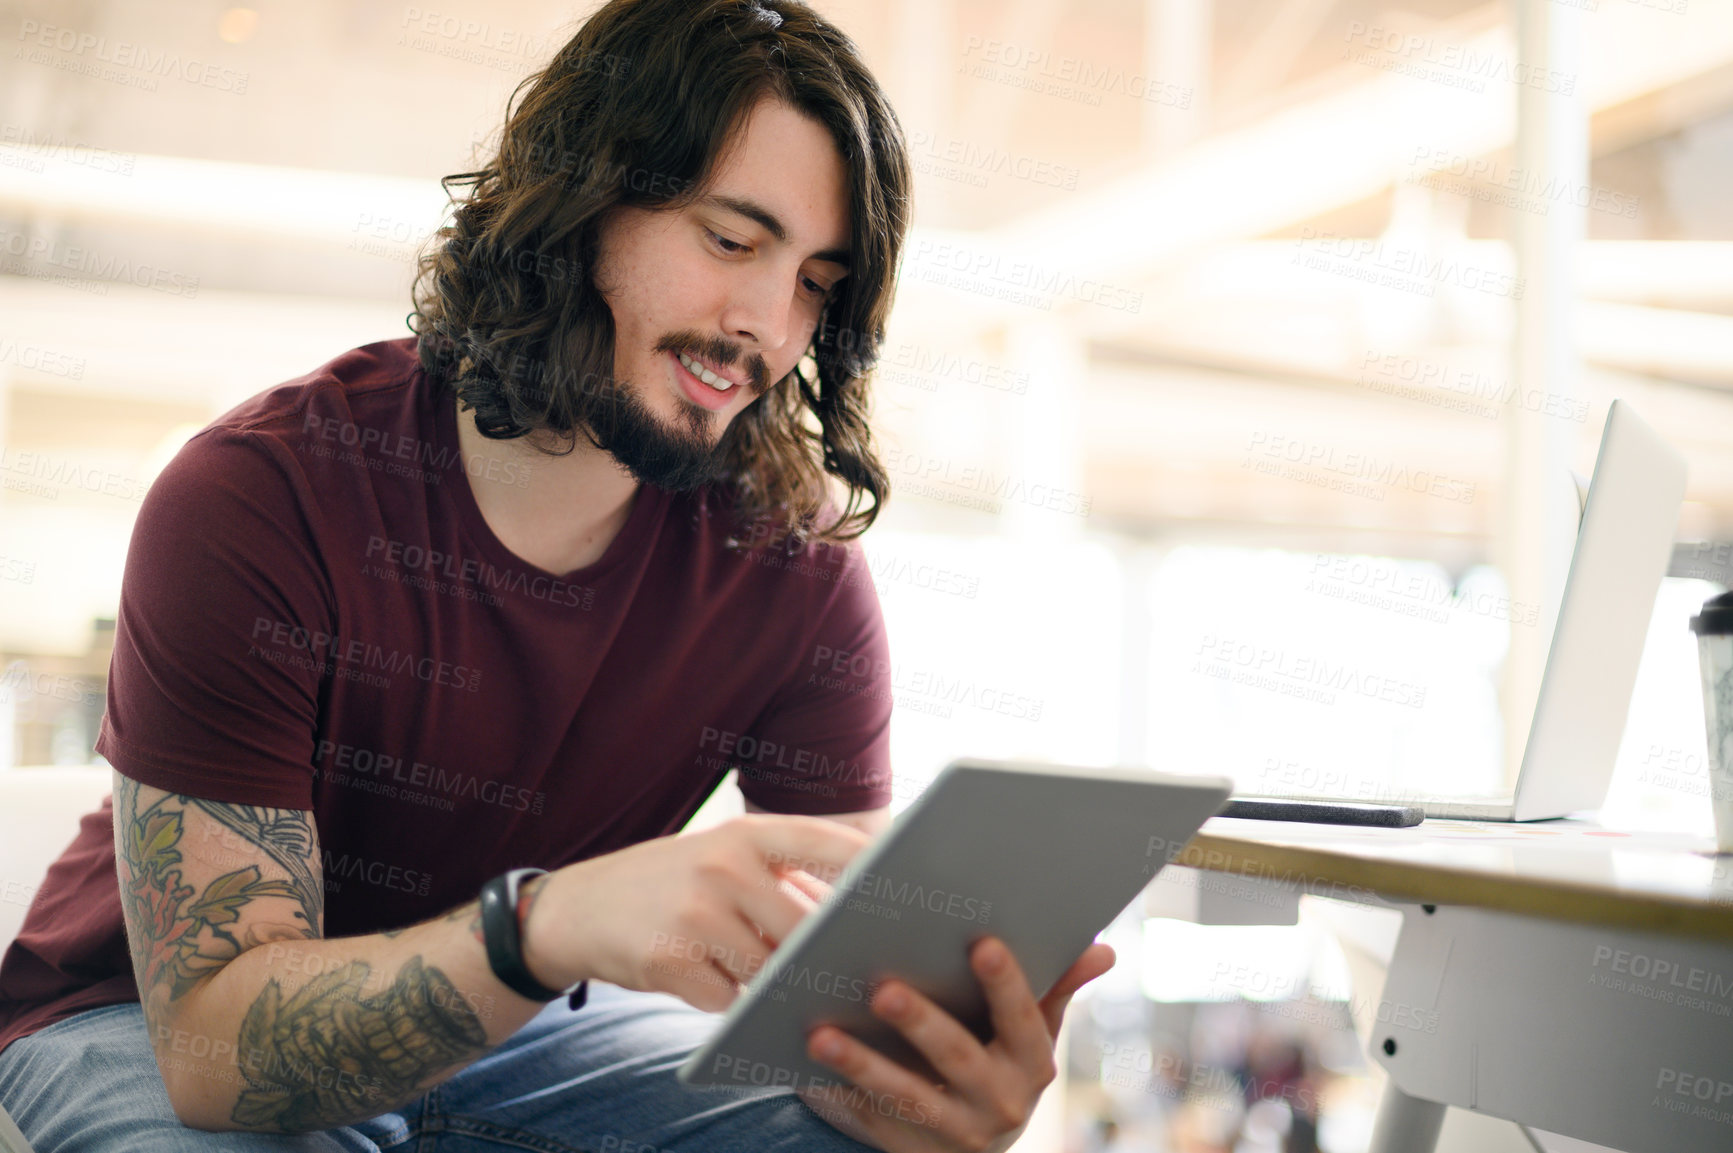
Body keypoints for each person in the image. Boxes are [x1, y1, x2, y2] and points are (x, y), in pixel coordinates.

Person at [0, 1, 1113, 1149]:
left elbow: (829, 1010)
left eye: (815, 283)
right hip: (146, 1015)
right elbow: (212, 1050)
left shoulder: (793, 567)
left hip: (522, 1030)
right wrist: (542, 925)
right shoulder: (259, 496)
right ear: (579, 203)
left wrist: (908, 1086)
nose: (765, 327)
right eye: (731, 241)